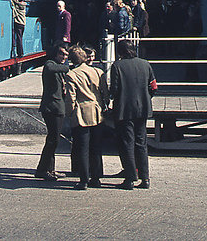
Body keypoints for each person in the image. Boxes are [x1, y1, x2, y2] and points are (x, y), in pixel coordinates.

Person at [110, 40, 157, 190]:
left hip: (124, 109)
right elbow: (154, 87)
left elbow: (114, 90)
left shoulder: (117, 66)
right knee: (141, 143)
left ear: (120, 52)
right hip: (143, 109)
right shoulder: (145, 64)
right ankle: (145, 178)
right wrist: (145, 97)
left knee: (127, 144)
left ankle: (130, 178)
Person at [64, 46, 109, 190]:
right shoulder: (98, 71)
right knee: (96, 147)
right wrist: (104, 106)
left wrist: (69, 113)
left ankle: (83, 180)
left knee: (82, 148)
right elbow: (105, 93)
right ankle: (96, 178)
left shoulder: (72, 75)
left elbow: (71, 98)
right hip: (97, 112)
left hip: (81, 114)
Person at [35, 46, 70, 181]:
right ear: (55, 53)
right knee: (53, 140)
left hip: (59, 107)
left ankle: (49, 169)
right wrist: (70, 67)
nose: (64, 57)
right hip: (51, 108)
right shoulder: (50, 64)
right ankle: (43, 169)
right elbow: (50, 69)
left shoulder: (60, 67)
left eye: (66, 55)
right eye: (61, 54)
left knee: (54, 140)